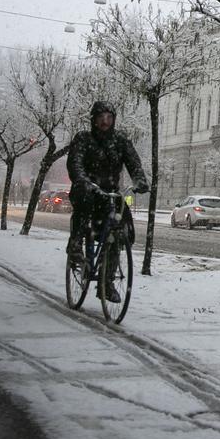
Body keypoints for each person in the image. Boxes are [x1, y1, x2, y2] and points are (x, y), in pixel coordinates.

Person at [66, 101, 148, 302]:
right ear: (94, 120)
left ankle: (107, 281)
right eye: (101, 118)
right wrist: (83, 180)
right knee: (84, 204)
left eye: (109, 118)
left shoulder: (120, 140)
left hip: (109, 192)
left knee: (122, 228)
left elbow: (133, 162)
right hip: (88, 189)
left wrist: (140, 180)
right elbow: (75, 163)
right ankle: (76, 245)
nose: (105, 122)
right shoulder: (84, 139)